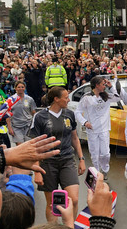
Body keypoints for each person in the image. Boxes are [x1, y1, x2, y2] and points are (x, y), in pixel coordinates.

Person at [27, 86, 85, 222]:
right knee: (53, 203)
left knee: (74, 199)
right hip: (47, 163)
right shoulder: (40, 117)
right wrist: (37, 170)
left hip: (67, 160)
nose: (68, 100)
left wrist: (81, 158)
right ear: (56, 99)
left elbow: (74, 138)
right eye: (66, 98)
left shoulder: (69, 114)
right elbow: (35, 145)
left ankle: (70, 228)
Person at [75, 75, 121, 176]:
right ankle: (97, 173)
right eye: (103, 84)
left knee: (105, 154)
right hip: (92, 130)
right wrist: (85, 122)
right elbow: (77, 112)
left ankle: (105, 169)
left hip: (104, 129)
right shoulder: (87, 97)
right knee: (95, 154)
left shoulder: (106, 96)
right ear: (97, 85)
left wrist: (111, 87)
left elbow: (118, 97)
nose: (104, 86)